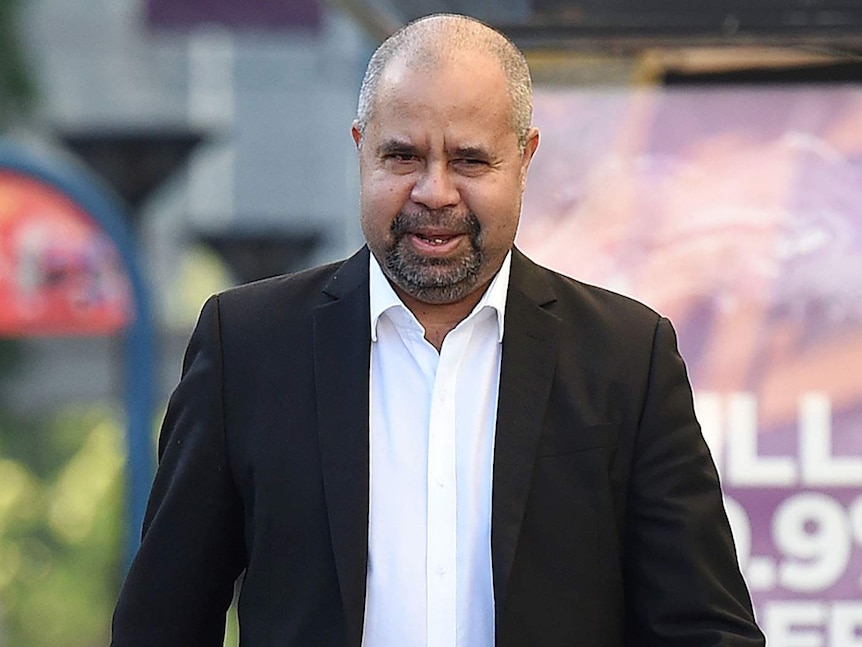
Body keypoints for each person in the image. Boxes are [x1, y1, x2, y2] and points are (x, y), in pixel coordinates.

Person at [110, 13, 765, 647]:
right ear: (361, 148)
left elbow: (705, 628)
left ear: (525, 157)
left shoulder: (626, 356)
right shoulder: (246, 348)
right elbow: (162, 622)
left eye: (470, 161)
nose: (435, 191)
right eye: (402, 156)